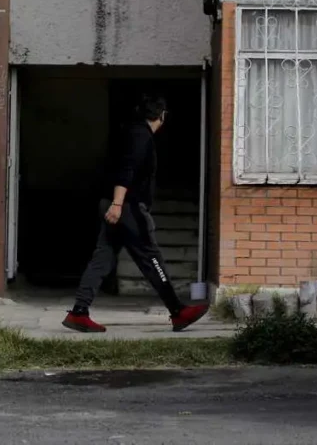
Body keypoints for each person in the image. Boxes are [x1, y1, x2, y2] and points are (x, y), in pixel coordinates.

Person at [63, 95, 209, 333]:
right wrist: (119, 204)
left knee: (103, 258)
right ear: (161, 115)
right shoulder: (141, 136)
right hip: (128, 207)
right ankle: (177, 311)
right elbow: (127, 169)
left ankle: (79, 312)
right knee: (151, 258)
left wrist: (113, 203)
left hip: (114, 204)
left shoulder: (130, 132)